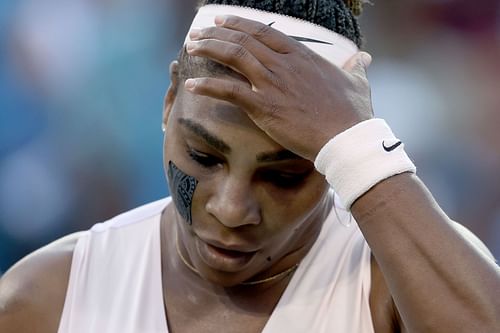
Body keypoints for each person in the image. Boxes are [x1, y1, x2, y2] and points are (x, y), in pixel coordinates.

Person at [1, 0, 499, 332]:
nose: (232, 208)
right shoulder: (48, 296)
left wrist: (360, 147)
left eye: (283, 175)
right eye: (204, 156)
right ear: (169, 99)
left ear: (333, 160)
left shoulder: (391, 290)